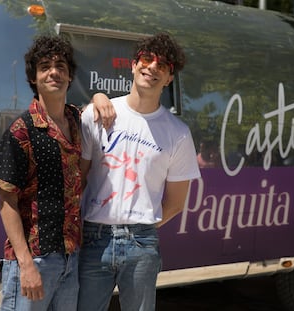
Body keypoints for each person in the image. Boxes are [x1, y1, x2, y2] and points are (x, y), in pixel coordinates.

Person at [0, 35, 114, 311]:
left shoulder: (77, 121)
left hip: (70, 258)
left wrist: (99, 96)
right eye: (44, 66)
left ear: (70, 77)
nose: (53, 72)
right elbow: (6, 201)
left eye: (60, 66)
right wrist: (26, 264)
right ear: (34, 77)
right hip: (35, 259)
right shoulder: (21, 131)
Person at [78, 32, 201, 311]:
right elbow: (79, 179)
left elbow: (176, 203)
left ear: (170, 77)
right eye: (147, 59)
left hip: (142, 244)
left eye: (163, 65)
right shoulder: (97, 115)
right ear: (133, 65)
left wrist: (140, 228)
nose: (152, 67)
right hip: (94, 238)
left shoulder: (178, 133)